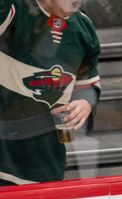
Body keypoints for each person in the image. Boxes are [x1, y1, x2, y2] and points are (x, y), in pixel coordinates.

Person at [0, 0, 100, 186]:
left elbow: (87, 83)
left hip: (47, 163)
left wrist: (85, 103)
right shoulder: (13, 8)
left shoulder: (83, 27)